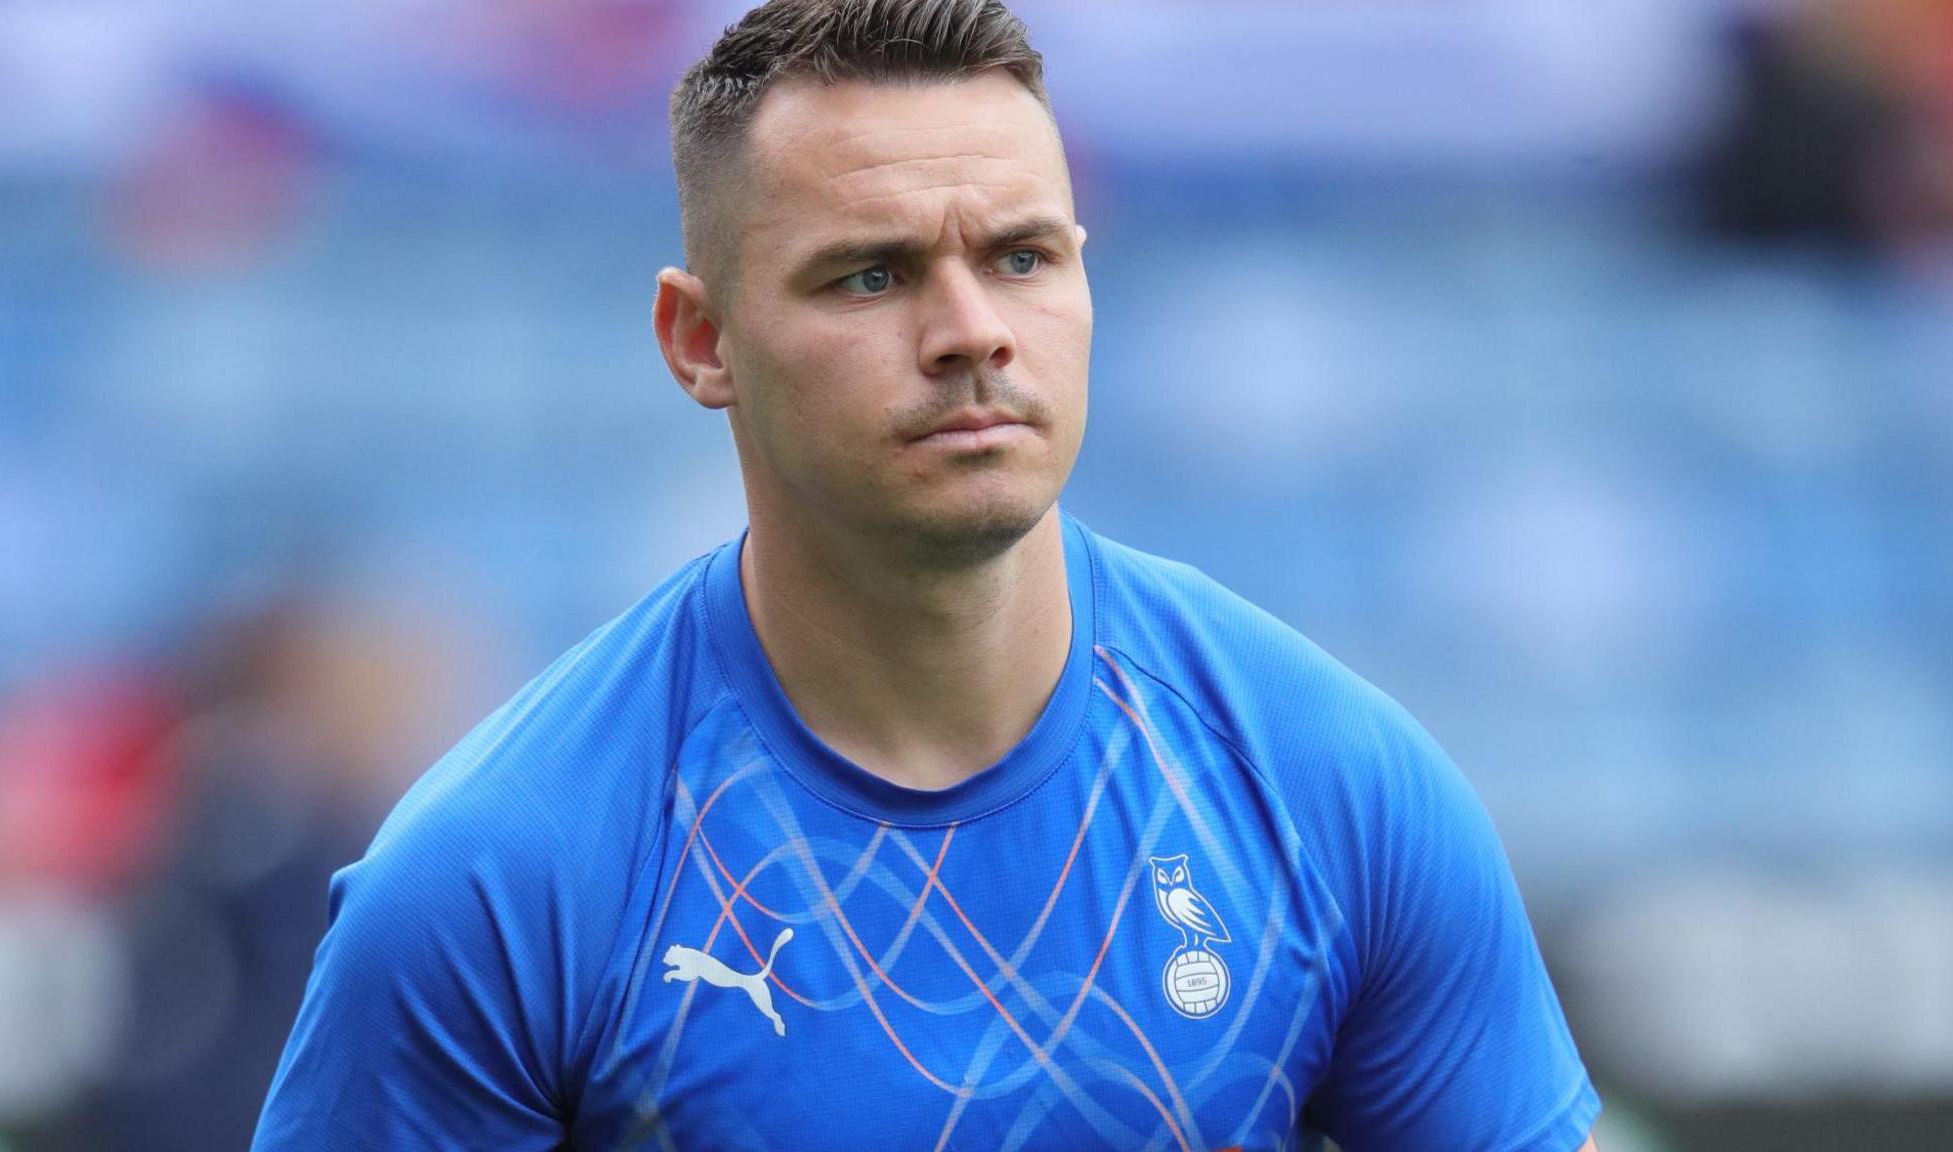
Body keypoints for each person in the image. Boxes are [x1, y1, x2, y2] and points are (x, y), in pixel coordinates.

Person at [253, 1, 1602, 1148]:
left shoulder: (1334, 789)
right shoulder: (501, 877)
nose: (971, 333)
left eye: (1021, 257)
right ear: (701, 341)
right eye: (871, 276)